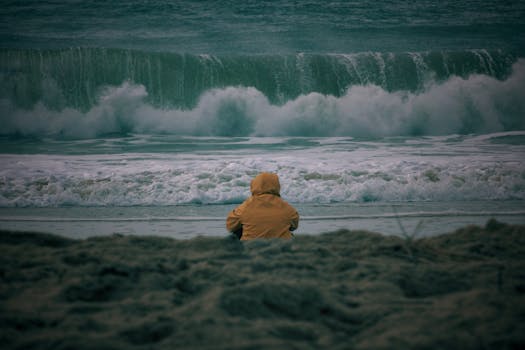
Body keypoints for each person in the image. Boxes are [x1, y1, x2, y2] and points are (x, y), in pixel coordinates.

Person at [226, 172, 299, 240]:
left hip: (251, 248)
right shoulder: (287, 208)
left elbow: (230, 226)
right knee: (288, 232)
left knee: (234, 234)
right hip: (280, 248)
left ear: (254, 185)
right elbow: (294, 226)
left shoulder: (245, 207)